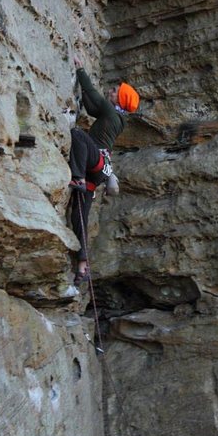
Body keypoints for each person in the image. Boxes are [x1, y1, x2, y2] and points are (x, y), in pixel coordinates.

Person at [69, 56, 140, 285]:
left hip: (95, 161)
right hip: (98, 170)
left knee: (78, 134)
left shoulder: (111, 113)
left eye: (114, 90)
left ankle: (77, 177)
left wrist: (80, 70)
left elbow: (93, 93)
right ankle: (82, 265)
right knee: (79, 214)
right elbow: (91, 106)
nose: (110, 91)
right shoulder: (115, 117)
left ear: (119, 98)